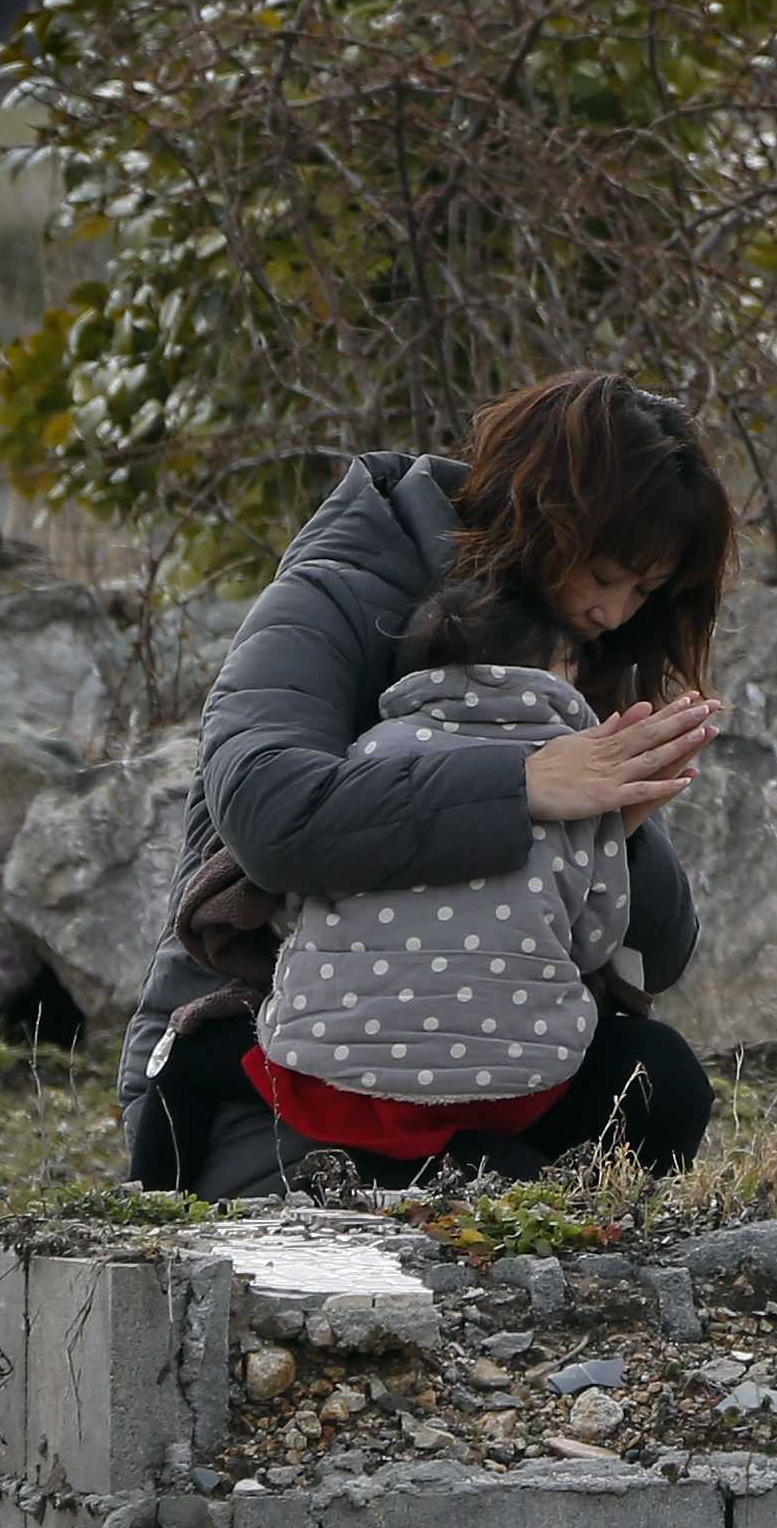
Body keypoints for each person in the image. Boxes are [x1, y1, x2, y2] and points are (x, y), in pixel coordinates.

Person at [117, 372, 730, 1197]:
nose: (615, 613)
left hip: (493, 1056)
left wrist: (616, 827)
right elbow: (267, 810)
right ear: (546, 517)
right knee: (495, 1189)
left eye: (645, 591)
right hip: (277, 1060)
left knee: (661, 1084)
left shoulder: (571, 648)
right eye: (607, 573)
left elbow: (651, 959)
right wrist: (522, 787)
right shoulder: (337, 590)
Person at [241, 576, 642, 1183]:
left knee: (195, 1063)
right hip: (518, 1085)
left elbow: (297, 899)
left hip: (328, 1084)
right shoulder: (578, 775)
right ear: (559, 669)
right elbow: (595, 939)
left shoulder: (364, 757)